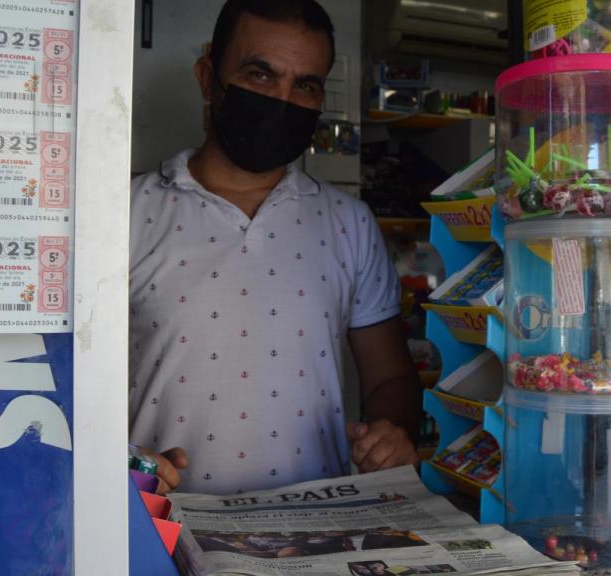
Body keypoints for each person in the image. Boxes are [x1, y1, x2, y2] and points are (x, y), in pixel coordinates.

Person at [128, 0, 421, 495]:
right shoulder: (124, 212)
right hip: (161, 535)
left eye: (305, 85)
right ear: (207, 78)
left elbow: (390, 379)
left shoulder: (350, 222)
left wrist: (392, 432)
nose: (282, 100)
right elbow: (63, 380)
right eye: (260, 75)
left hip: (315, 539)